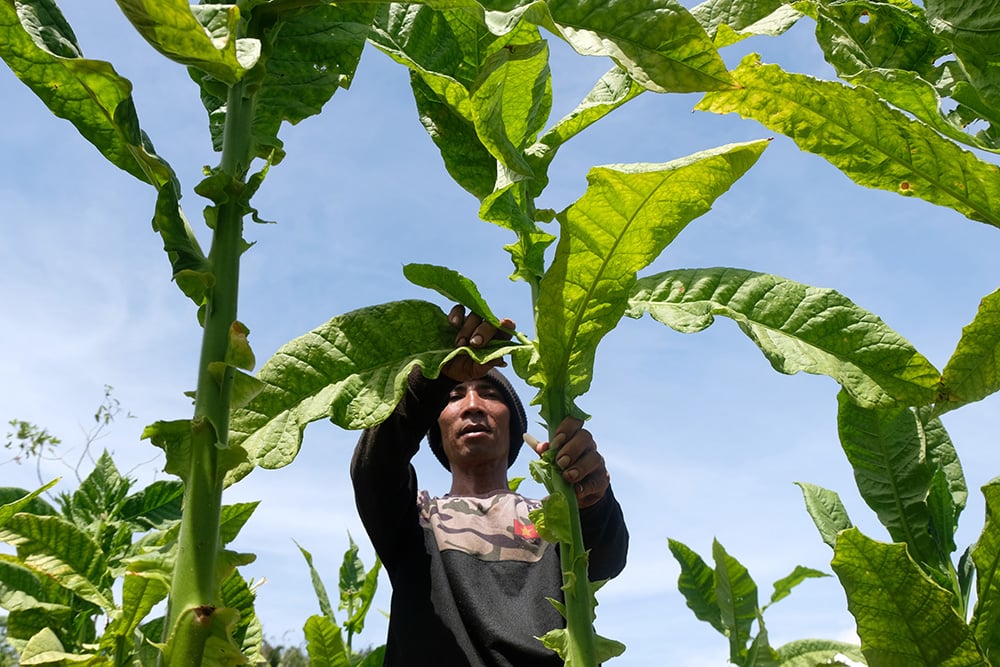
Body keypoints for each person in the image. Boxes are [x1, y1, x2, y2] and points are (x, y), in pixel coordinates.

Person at [351, 305, 629, 667]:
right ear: (434, 429)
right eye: (454, 397)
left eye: (489, 393)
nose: (472, 405)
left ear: (515, 427)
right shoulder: (415, 519)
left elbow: (606, 558)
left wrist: (593, 498)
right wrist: (436, 376)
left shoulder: (553, 518)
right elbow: (375, 467)